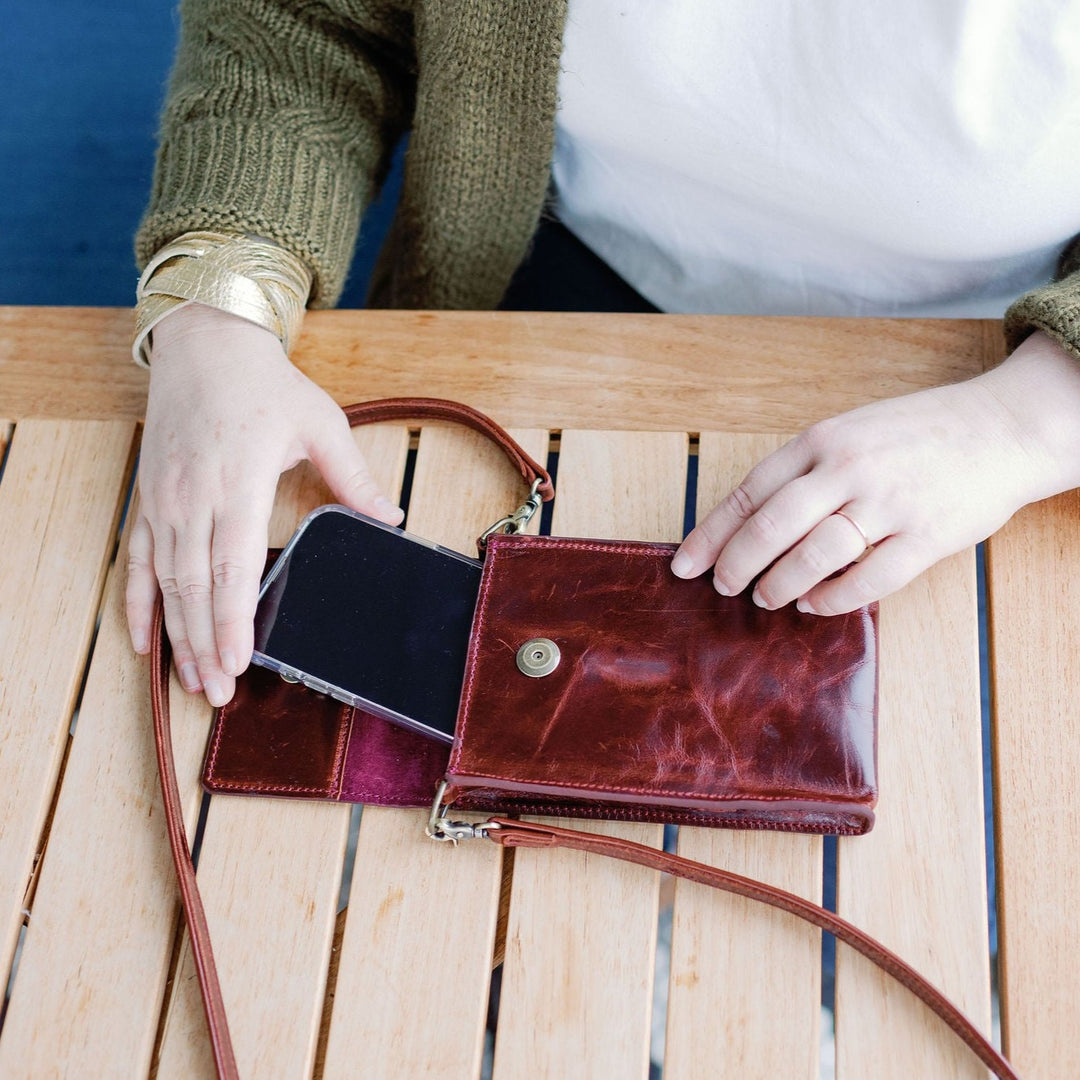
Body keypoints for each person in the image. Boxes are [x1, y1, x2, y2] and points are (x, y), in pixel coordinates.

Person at [127, 1, 1080, 708]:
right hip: (534, 278)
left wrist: (1024, 423)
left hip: (995, 384)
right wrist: (218, 314)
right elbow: (306, 29)